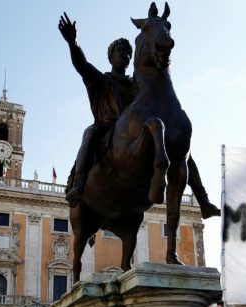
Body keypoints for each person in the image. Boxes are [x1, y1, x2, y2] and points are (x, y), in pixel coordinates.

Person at [58, 12, 220, 219]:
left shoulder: (136, 85)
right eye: (119, 52)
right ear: (110, 57)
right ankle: (79, 183)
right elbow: (82, 65)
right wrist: (73, 42)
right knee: (89, 133)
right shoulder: (101, 80)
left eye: (127, 53)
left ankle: (203, 200)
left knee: (181, 147)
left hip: (136, 132)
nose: (124, 56)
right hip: (107, 127)